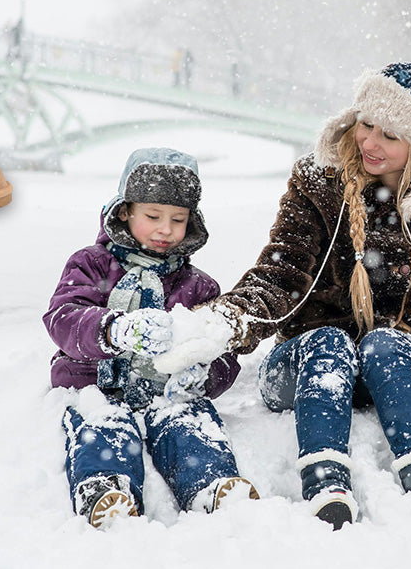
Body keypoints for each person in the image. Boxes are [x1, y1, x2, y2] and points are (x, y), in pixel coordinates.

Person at [204, 63, 411, 528]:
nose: (369, 143)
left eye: (390, 135)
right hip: (307, 365)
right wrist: (225, 321)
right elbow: (281, 272)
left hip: (394, 366)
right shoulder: (317, 180)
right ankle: (325, 483)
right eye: (366, 124)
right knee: (329, 342)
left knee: (387, 342)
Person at [43, 147, 257, 528]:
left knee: (189, 423)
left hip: (166, 392)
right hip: (95, 384)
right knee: (103, 424)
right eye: (153, 216)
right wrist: (114, 329)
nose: (165, 230)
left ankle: (211, 484)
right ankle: (106, 488)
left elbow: (222, 351)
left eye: (178, 219)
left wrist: (204, 373)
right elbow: (63, 317)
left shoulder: (198, 286)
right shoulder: (92, 264)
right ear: (125, 211)